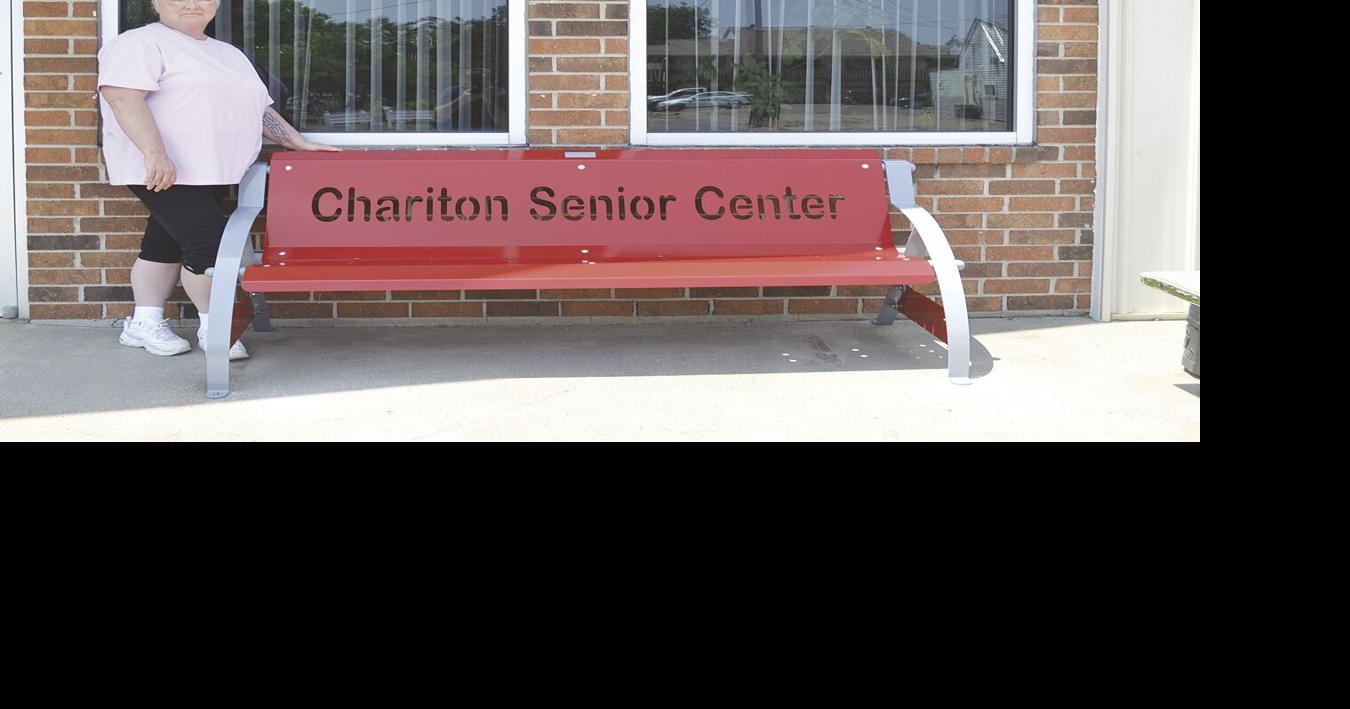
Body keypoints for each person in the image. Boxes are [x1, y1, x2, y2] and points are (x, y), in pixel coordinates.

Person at [97, 0, 338, 359]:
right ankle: (215, 326)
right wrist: (155, 153)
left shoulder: (228, 54)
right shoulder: (139, 43)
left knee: (164, 242)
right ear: (156, 3)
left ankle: (143, 322)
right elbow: (122, 96)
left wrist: (296, 141)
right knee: (208, 247)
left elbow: (259, 109)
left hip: (213, 169)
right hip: (166, 170)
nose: (192, 3)